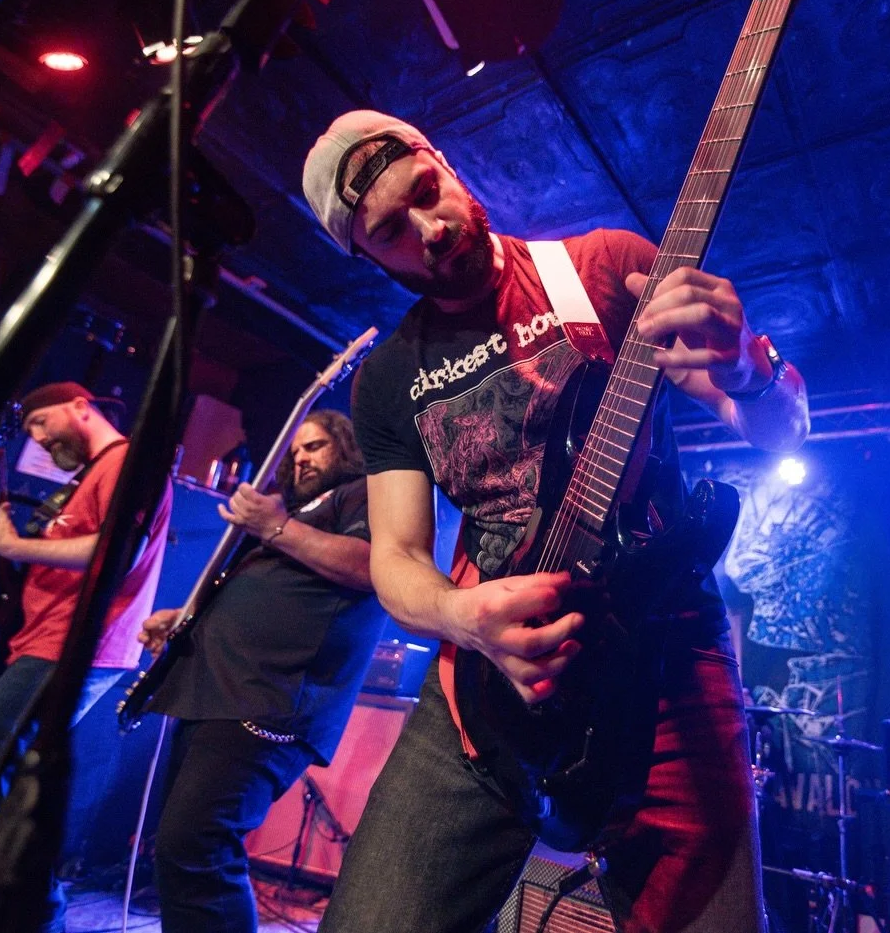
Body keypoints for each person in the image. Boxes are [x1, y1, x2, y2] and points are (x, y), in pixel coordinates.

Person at [299, 110, 810, 933]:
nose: (429, 230)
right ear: (367, 254)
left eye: (427, 192)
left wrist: (751, 365)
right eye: (391, 231)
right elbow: (394, 556)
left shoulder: (602, 266)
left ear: (445, 161)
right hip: (487, 682)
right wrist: (461, 615)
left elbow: (784, 427)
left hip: (664, 654)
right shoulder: (390, 376)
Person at [0, 382, 172, 933]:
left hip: (70, 649)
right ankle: (45, 919)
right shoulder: (92, 475)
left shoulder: (127, 462)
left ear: (79, 406)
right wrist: (13, 599)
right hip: (46, 642)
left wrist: (13, 546)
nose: (40, 439)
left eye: (42, 424)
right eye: (31, 433)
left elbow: (116, 551)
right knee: (9, 793)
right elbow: (72, 560)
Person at [137, 409, 383, 933]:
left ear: (345, 445)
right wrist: (185, 621)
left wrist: (273, 524)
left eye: (314, 446)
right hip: (219, 693)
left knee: (196, 846)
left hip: (273, 698)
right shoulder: (291, 518)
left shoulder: (362, 493)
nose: (301, 458)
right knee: (179, 851)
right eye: (295, 452)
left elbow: (371, 566)